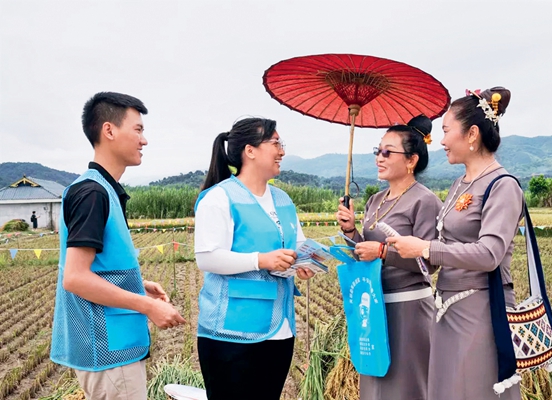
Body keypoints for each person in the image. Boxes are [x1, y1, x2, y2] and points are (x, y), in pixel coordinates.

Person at [386, 87, 522, 399]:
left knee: (473, 389)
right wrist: (406, 248)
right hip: (446, 310)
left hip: (481, 311)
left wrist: (425, 248)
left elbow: (489, 254)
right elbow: (444, 245)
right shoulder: (458, 184)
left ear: (472, 134)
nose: (442, 140)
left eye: (447, 131)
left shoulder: (502, 186)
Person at [50, 92, 185, 400]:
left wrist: (139, 285)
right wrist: (148, 305)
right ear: (109, 131)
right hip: (109, 353)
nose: (144, 140)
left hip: (111, 346)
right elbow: (75, 277)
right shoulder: (92, 193)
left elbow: (98, 267)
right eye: (137, 129)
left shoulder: (101, 190)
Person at [194, 117, 315, 400]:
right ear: (250, 151)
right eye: (275, 143)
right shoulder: (220, 197)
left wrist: (304, 261)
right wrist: (262, 260)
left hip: (280, 329)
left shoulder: (283, 199)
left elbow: (297, 244)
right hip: (231, 333)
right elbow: (208, 258)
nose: (282, 151)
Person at [336, 115, 442, 400]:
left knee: (406, 386)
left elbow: (429, 263)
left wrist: (383, 252)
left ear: (411, 160)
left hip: (408, 309)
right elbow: (364, 253)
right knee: (374, 385)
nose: (379, 158)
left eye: (387, 152)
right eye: (377, 151)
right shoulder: (375, 201)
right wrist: (351, 230)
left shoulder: (425, 201)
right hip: (373, 305)